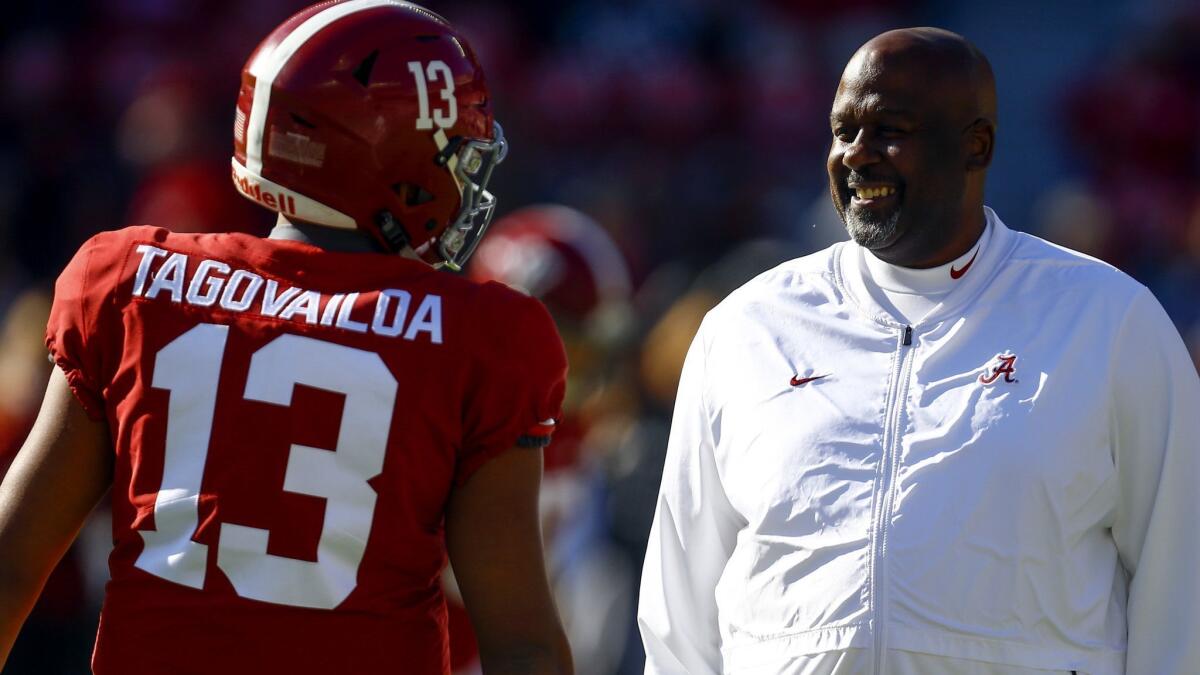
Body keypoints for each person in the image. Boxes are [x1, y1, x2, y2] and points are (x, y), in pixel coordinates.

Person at [0, 2, 573, 674]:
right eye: (451, 154)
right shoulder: (479, 334)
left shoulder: (130, 283)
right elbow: (521, 641)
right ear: (386, 153)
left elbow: (12, 560)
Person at [638, 26, 1200, 675]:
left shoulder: (1107, 320)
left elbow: (1181, 587)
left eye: (889, 129)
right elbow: (679, 622)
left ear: (975, 145)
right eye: (843, 130)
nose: (856, 154)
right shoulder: (746, 328)